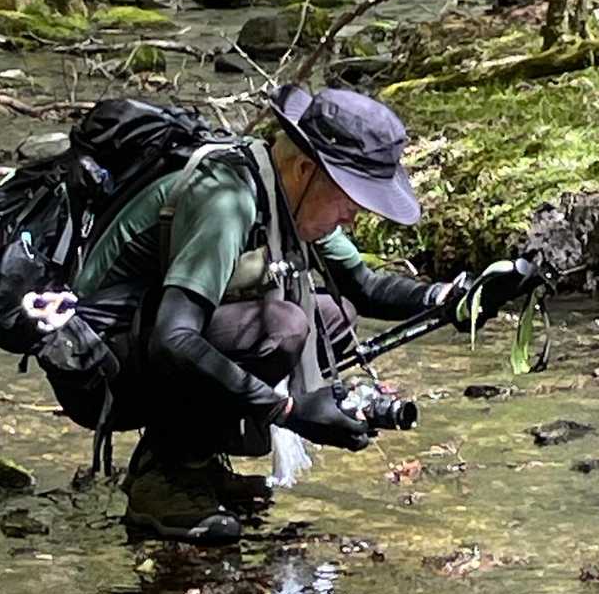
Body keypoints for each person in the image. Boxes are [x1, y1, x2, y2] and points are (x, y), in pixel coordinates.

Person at [46, 84, 468, 544]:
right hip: (98, 370)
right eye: (350, 198)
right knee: (284, 328)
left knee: (333, 317)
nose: (353, 217)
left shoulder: (286, 193)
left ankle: (197, 463)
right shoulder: (226, 201)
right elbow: (174, 338)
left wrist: (451, 297)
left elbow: (365, 289)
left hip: (144, 343)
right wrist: (289, 410)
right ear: (306, 169)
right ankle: (166, 478)